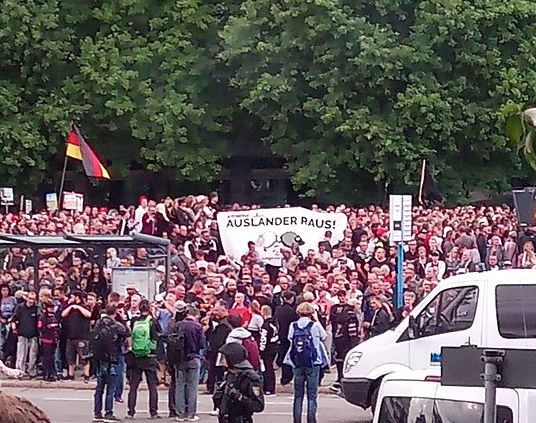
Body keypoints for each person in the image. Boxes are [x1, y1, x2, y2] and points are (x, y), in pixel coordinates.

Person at [284, 302, 328, 423]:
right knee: (312, 395)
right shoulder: (315, 325)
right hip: (313, 362)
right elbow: (324, 336)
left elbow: (290, 339)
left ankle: (297, 420)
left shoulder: (293, 326)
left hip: (297, 362)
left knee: (298, 395)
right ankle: (311, 419)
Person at [91, 304, 130, 423]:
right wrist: (123, 319)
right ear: (115, 313)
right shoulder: (116, 325)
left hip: (100, 359)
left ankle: (97, 413)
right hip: (113, 359)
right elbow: (128, 333)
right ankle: (108, 412)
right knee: (111, 388)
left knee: (99, 387)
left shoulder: (98, 324)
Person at [213, 342, 265, 423]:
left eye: (224, 357)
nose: (222, 361)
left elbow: (258, 406)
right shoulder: (229, 374)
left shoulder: (250, 378)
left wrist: (240, 397)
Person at [126, 299, 161, 419]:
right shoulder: (152, 321)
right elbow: (158, 334)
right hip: (149, 354)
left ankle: (131, 411)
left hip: (136, 355)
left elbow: (130, 334)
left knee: (134, 386)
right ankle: (153, 411)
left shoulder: (134, 320)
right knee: (152, 386)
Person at [173, 307, 205, 421]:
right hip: (193, 357)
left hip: (179, 358)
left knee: (180, 386)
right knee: (192, 386)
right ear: (196, 315)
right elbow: (202, 344)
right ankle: (191, 413)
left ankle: (180, 413)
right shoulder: (198, 327)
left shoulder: (177, 325)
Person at [62, 291, 92, 382]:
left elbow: (89, 314)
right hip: (71, 336)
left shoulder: (85, 306)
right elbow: (63, 314)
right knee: (70, 357)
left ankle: (86, 375)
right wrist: (71, 306)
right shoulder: (69, 307)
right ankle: (71, 375)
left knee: (84, 357)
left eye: (72, 297)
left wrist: (78, 307)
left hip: (82, 336)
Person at [205, 301, 232, 394]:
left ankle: (216, 387)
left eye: (217, 310)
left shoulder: (225, 324)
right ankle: (213, 386)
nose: (214, 312)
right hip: (217, 350)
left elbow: (218, 341)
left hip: (220, 351)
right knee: (214, 370)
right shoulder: (218, 322)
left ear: (223, 310)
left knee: (218, 371)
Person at [13, 291, 39, 378]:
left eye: (33, 299)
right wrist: (14, 328)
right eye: (30, 298)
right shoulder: (20, 307)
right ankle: (20, 371)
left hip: (34, 334)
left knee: (33, 354)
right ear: (27, 298)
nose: (31, 301)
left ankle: (31, 371)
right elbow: (14, 318)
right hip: (22, 333)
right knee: (21, 354)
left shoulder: (36, 308)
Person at [258, 305, 279, 395]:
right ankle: (271, 387)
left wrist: (260, 351)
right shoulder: (274, 323)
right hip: (274, 346)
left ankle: (268, 387)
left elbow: (263, 339)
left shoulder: (265, 325)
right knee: (270, 367)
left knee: (266, 368)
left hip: (267, 349)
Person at [38, 301, 60, 381]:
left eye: (52, 307)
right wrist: (50, 326)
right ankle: (46, 374)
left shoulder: (54, 316)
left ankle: (52, 373)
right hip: (46, 340)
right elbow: (40, 328)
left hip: (54, 339)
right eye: (50, 307)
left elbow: (58, 327)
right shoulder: (42, 317)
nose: (51, 309)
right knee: (46, 358)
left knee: (52, 358)